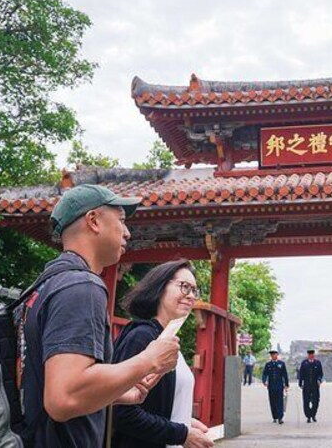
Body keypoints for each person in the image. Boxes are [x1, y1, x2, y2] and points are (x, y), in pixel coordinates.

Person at [19, 184, 180, 447]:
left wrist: (116, 392)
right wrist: (148, 360)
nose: (127, 232)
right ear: (93, 220)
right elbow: (63, 398)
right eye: (122, 220)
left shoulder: (44, 285)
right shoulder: (81, 286)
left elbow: (48, 387)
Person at [111, 259, 214, 448]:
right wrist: (182, 434)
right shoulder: (141, 337)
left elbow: (155, 406)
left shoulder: (168, 339)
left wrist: (184, 420)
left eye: (194, 290)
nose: (191, 296)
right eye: (184, 287)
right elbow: (122, 413)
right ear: (160, 287)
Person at [262, 349, 289, 424]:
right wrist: (264, 381)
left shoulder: (281, 364)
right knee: (273, 402)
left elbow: (285, 374)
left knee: (280, 401)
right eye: (272, 355)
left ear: (277, 355)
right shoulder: (268, 364)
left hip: (279, 386)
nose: (273, 356)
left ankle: (280, 417)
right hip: (271, 386)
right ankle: (275, 416)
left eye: (274, 354)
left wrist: (286, 385)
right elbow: (265, 374)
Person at [297, 349, 324, 423]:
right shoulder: (304, 363)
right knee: (306, 401)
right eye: (309, 354)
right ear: (308, 355)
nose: (311, 355)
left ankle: (313, 414)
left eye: (312, 354)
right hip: (306, 385)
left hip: (315, 385)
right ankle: (308, 416)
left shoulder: (317, 363)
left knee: (316, 401)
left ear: (314, 355)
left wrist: (319, 380)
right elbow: (301, 374)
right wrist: (300, 383)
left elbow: (320, 374)